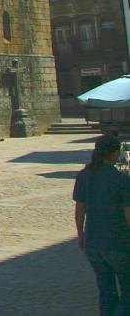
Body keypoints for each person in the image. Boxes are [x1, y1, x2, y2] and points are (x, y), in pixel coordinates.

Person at [74, 133, 130, 316]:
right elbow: (128, 215)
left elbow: (80, 210)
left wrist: (81, 235)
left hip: (93, 241)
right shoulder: (121, 180)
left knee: (106, 292)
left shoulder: (84, 175)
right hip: (118, 242)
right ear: (113, 153)